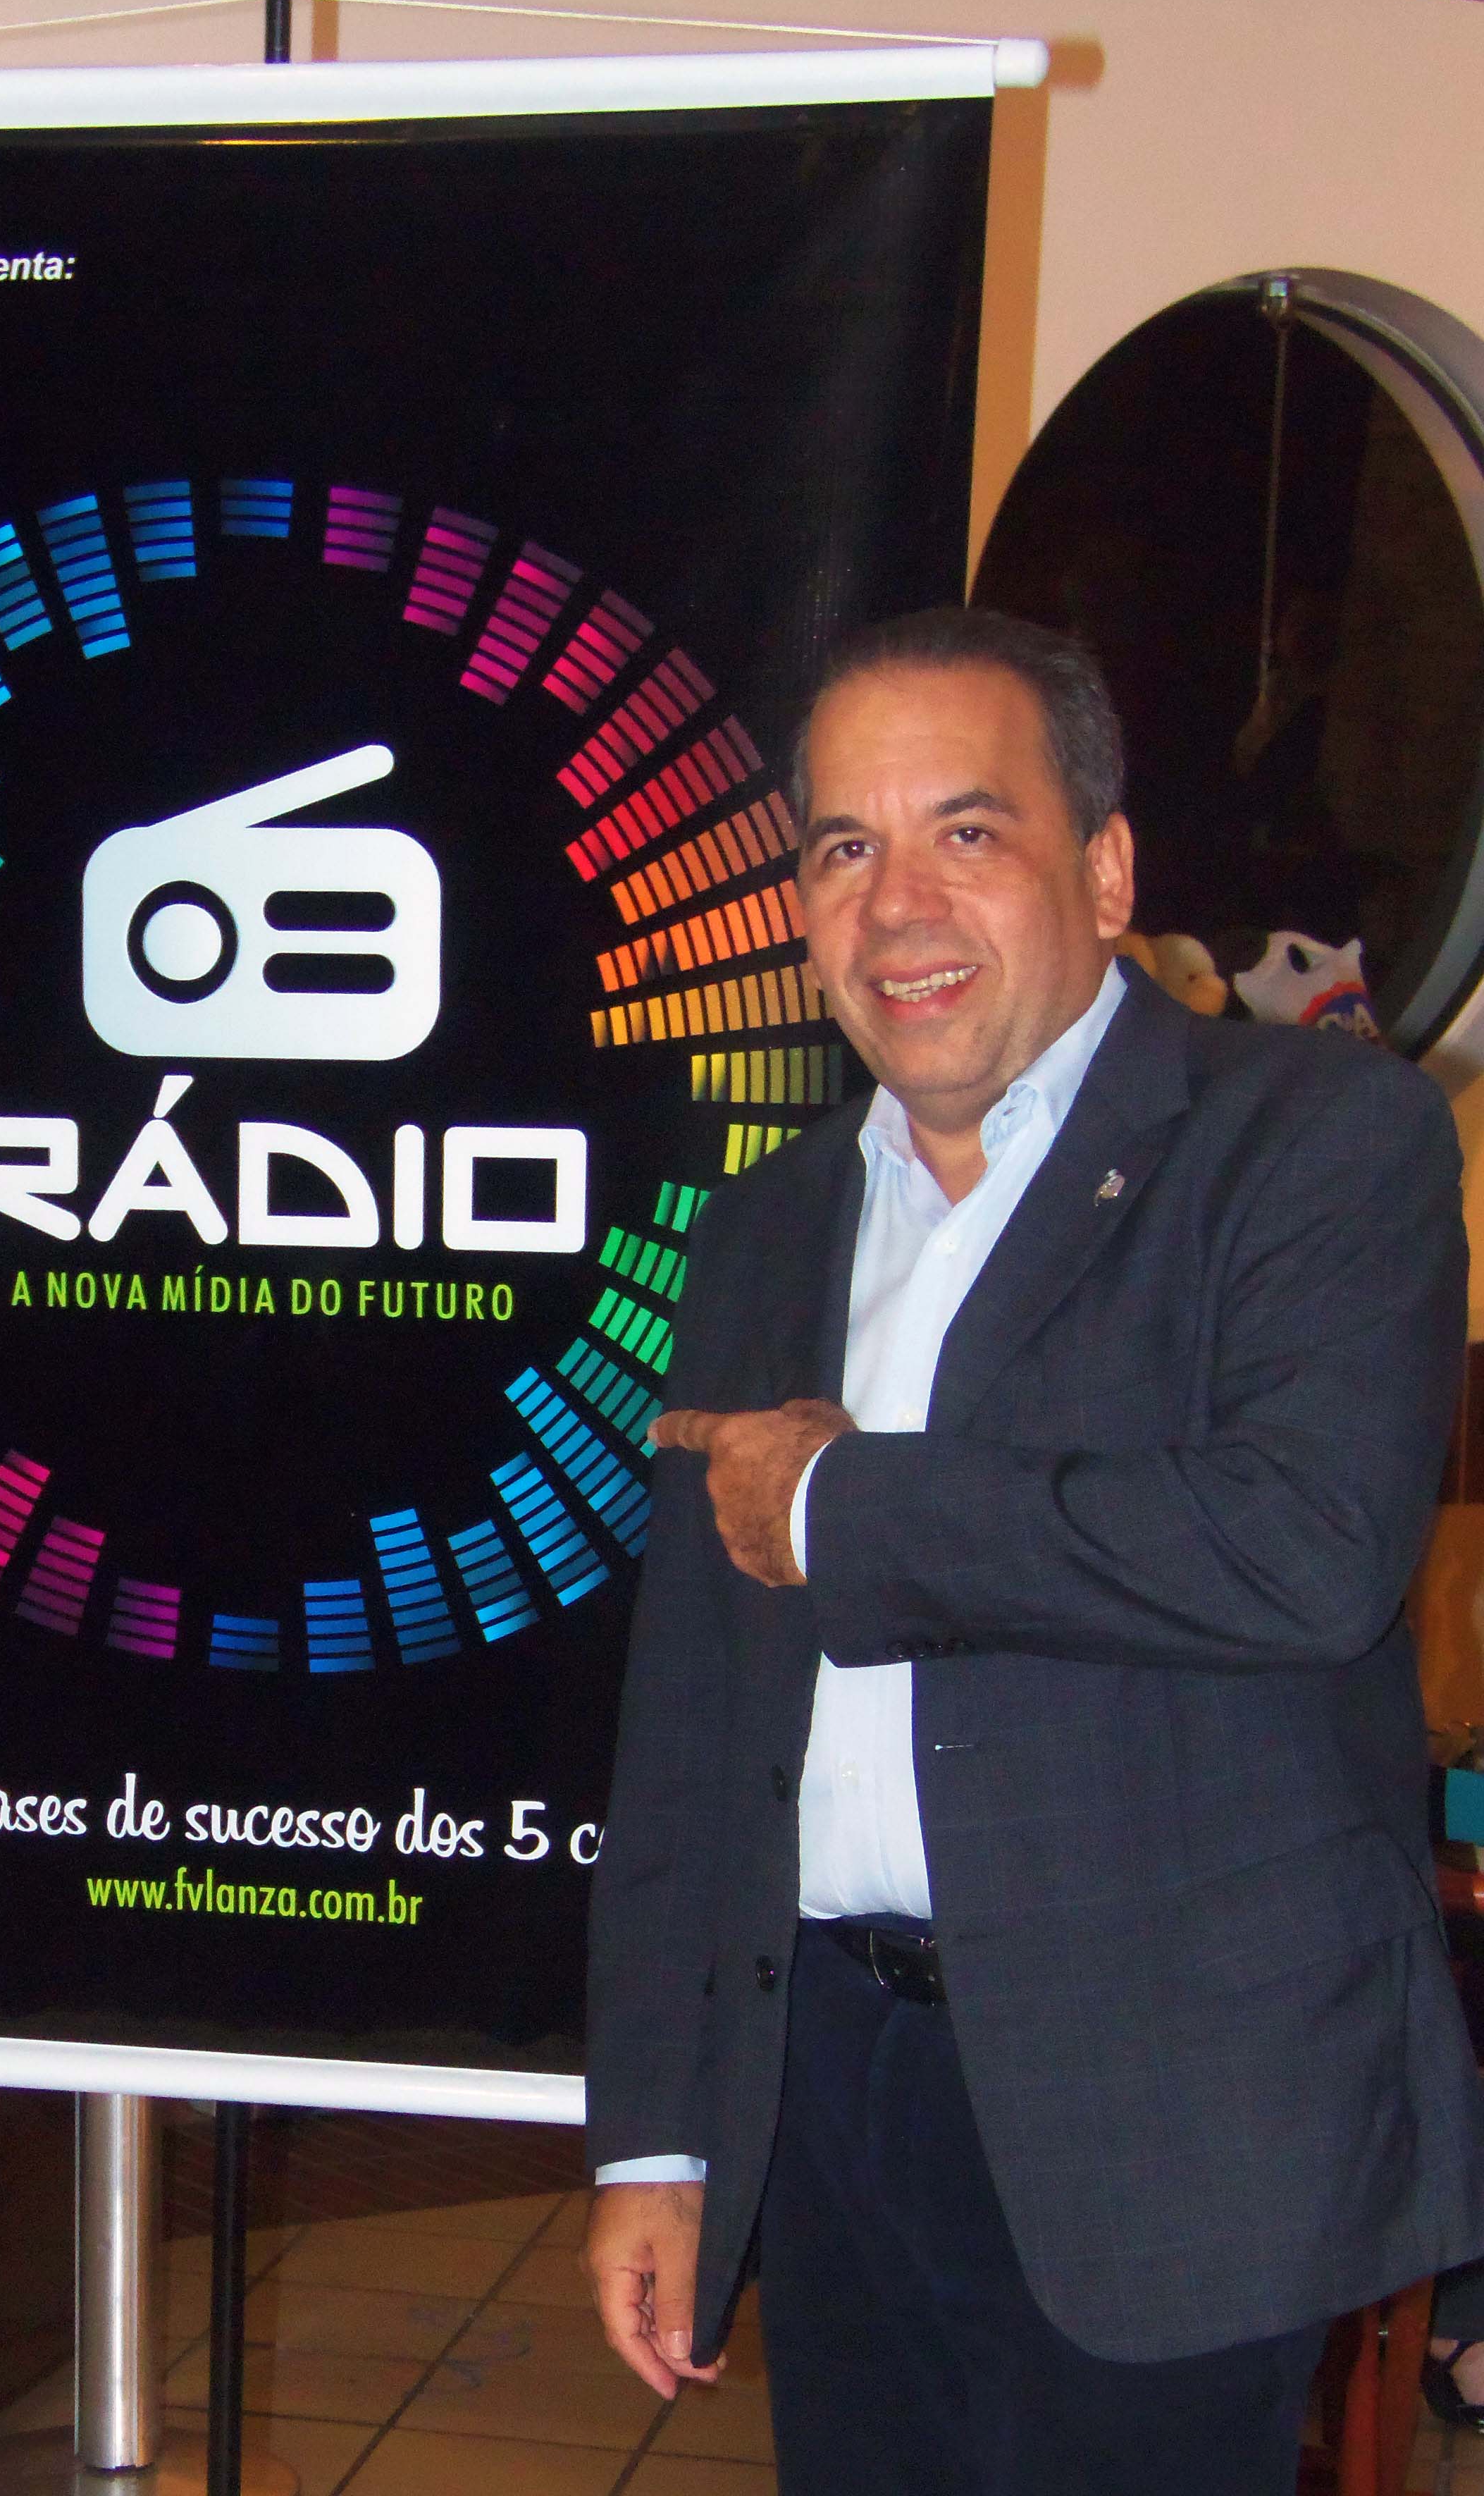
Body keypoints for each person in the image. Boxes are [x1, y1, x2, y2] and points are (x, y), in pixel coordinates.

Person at [581, 605, 1484, 2496]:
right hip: (832, 2089)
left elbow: (1304, 1548)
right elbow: (691, 1721)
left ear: (1107, 869)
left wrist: (839, 1508)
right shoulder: (763, 1226)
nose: (897, 904)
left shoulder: (1315, 1142)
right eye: (845, 846)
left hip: (1175, 2111)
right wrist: (657, 2136)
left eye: (967, 830)